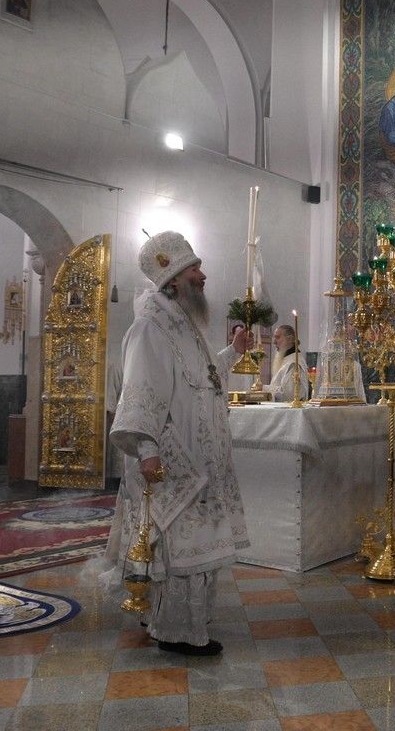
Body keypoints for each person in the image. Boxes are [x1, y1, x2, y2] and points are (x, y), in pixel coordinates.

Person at [108, 230, 249, 656]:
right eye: (194, 270)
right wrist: (147, 451)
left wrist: (233, 352)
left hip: (200, 463)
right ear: (173, 281)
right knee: (179, 551)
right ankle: (176, 632)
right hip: (174, 463)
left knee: (195, 550)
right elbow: (140, 394)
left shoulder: (185, 325)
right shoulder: (149, 328)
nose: (203, 276)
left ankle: (184, 623)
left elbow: (203, 379)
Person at [266, 324, 309, 402]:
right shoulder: (286, 359)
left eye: (277, 337)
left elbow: (289, 394)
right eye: (274, 337)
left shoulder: (294, 362)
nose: (274, 342)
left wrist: (264, 388)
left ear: (289, 339)